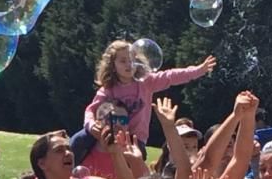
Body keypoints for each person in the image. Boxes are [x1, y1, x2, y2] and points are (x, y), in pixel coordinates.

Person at [70, 40, 215, 163]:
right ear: (112, 66)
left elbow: (171, 76)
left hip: (135, 137)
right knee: (78, 140)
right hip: (110, 133)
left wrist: (199, 70)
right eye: (123, 61)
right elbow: (91, 110)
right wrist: (90, 124)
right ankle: (67, 170)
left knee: (140, 157)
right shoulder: (108, 89)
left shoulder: (146, 82)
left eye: (132, 60)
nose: (129, 64)